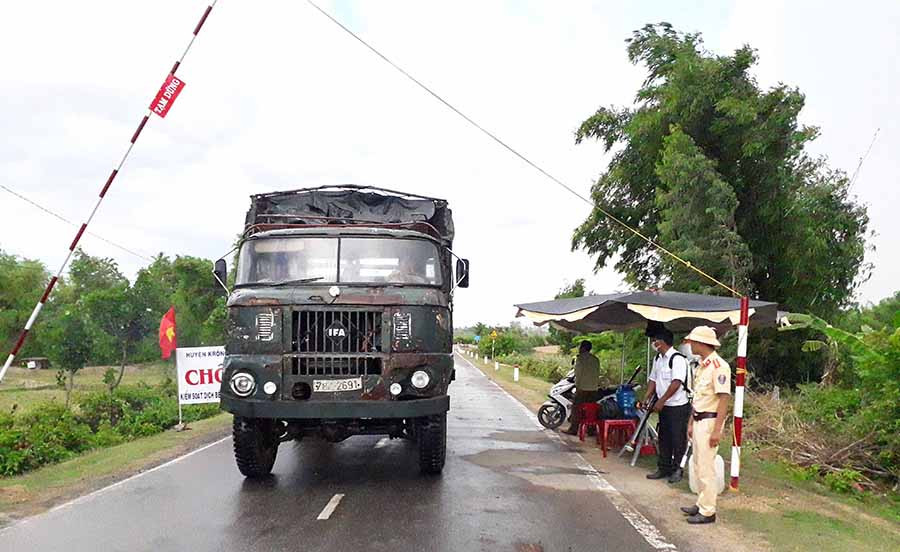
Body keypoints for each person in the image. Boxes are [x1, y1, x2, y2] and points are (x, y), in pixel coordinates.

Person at [679, 326, 731, 525]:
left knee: (707, 468)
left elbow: (724, 399)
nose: (690, 345)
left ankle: (708, 511)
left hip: (710, 422)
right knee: (698, 464)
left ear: (701, 343)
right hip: (699, 419)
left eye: (692, 342)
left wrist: (717, 430)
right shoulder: (702, 365)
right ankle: (701, 503)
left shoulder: (719, 366)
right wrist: (691, 422)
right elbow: (699, 398)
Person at [640, 328, 691, 483]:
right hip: (664, 406)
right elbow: (653, 380)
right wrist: (647, 397)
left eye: (655, 340)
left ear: (661, 342)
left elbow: (676, 382)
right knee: (664, 437)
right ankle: (663, 468)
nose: (653, 343)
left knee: (678, 439)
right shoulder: (658, 359)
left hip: (678, 406)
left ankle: (677, 470)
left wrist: (661, 401)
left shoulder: (677, 359)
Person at [563, 340, 600, 435]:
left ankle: (573, 429)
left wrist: (577, 385)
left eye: (580, 347)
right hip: (594, 389)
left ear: (583, 348)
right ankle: (591, 430)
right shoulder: (595, 359)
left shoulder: (580, 359)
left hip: (583, 389)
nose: (579, 349)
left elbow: (578, 374)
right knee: (591, 409)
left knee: (576, 408)